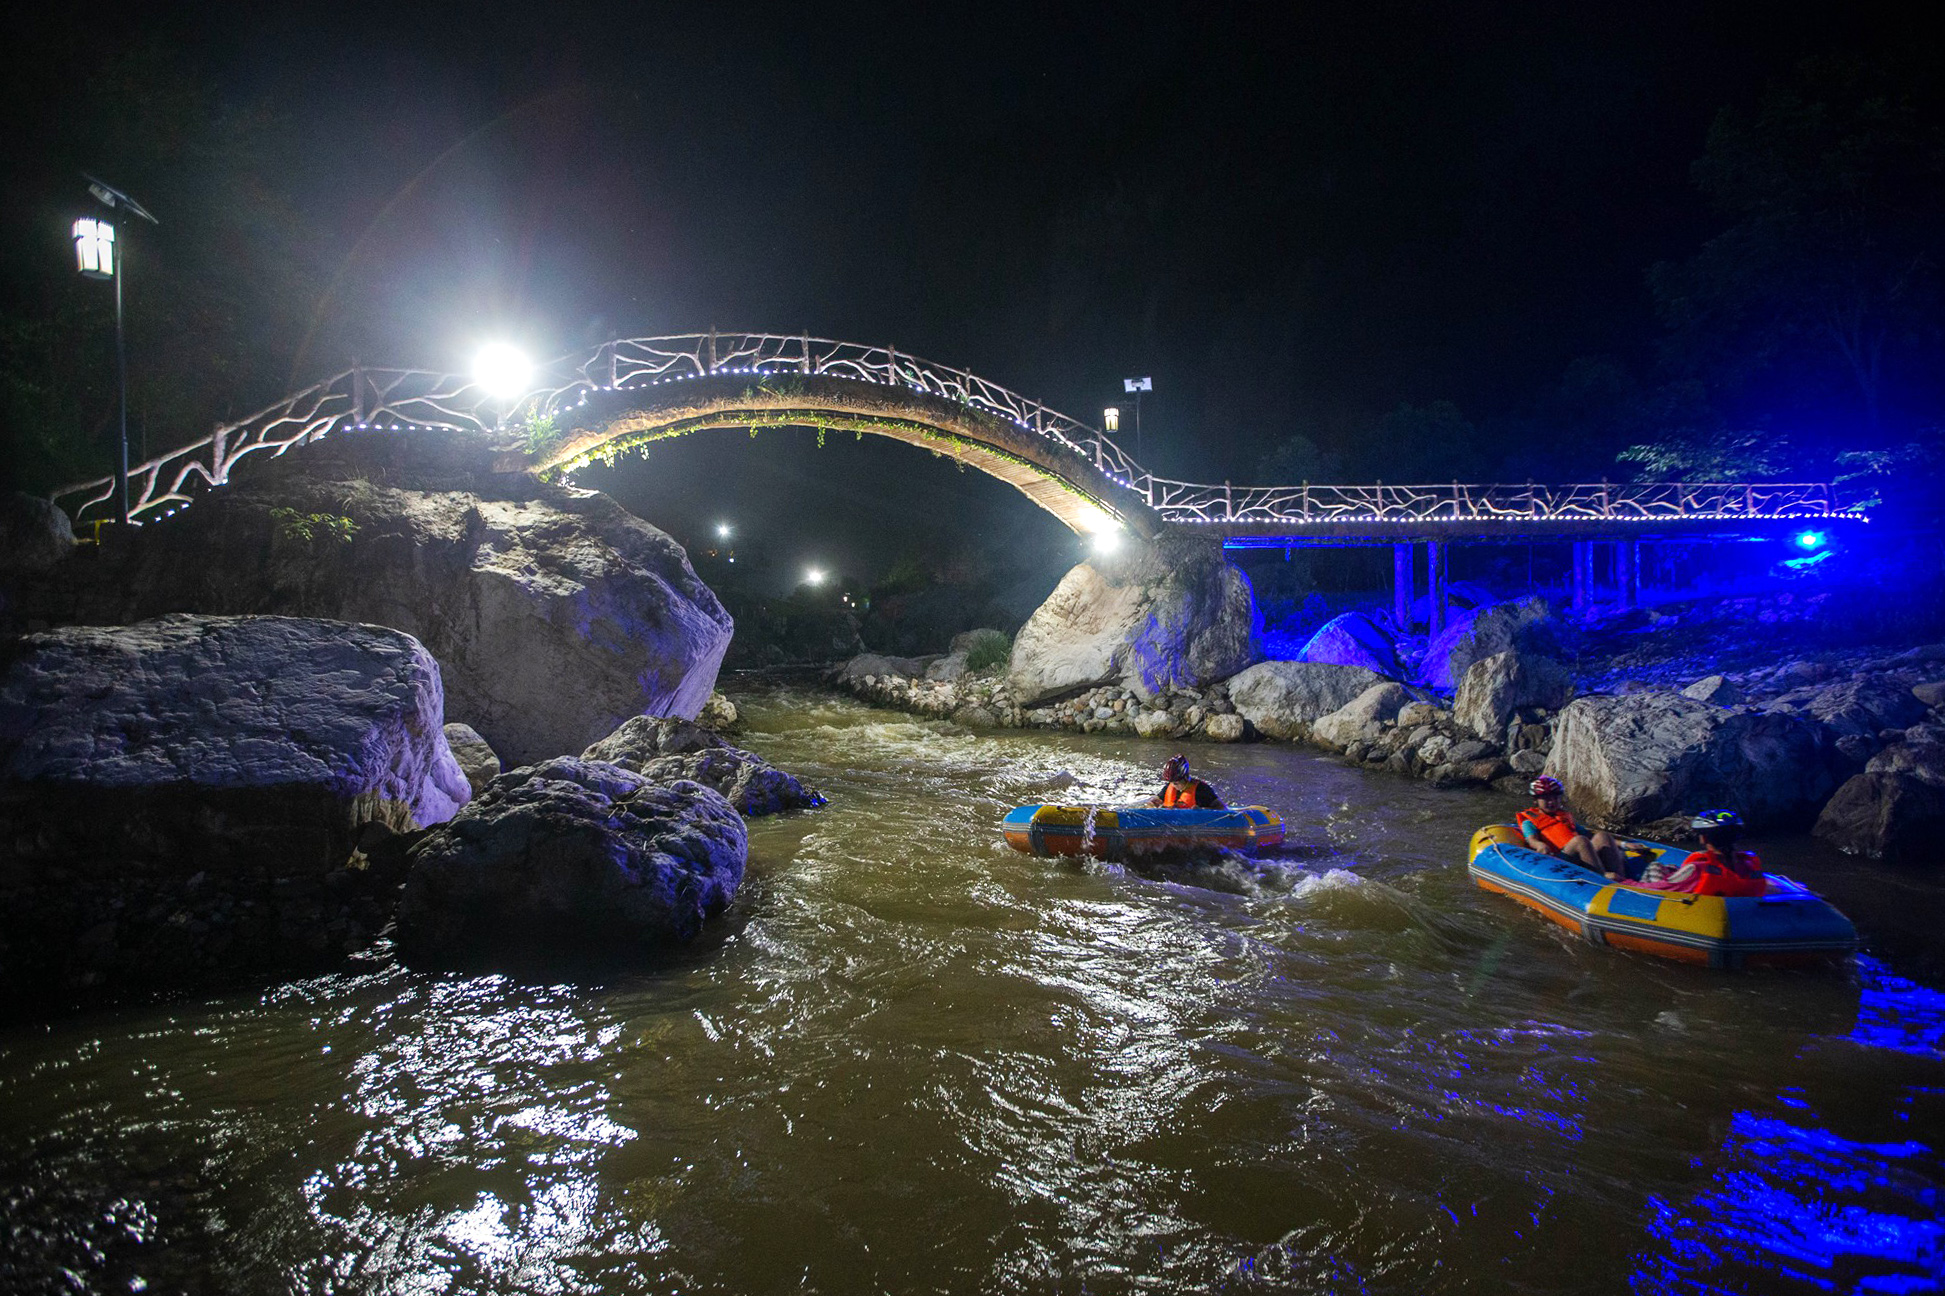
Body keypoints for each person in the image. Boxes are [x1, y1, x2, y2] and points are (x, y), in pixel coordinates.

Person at [1515, 775, 1629, 879]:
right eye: (1546, 799)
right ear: (1536, 801)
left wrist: (1624, 844)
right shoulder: (1529, 821)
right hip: (1560, 858)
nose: (1552, 802)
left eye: (1555, 798)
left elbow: (1590, 835)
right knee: (1580, 841)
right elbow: (1531, 840)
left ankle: (1623, 878)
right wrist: (1540, 845)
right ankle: (1601, 876)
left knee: (1602, 835)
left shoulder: (1563, 816)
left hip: (1580, 853)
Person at [1640, 809, 1768, 896]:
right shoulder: (1749, 864)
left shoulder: (1697, 868)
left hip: (1696, 910)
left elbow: (1659, 888)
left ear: (1704, 838)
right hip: (1741, 910)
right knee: (1671, 867)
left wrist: (1623, 882)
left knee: (1654, 866)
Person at [1147, 754, 1225, 809]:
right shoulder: (1169, 786)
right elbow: (1155, 800)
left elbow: (1222, 808)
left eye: (1176, 783)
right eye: (1171, 782)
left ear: (1185, 778)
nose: (1173, 785)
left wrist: (1203, 811)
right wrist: (1152, 803)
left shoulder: (1202, 789)